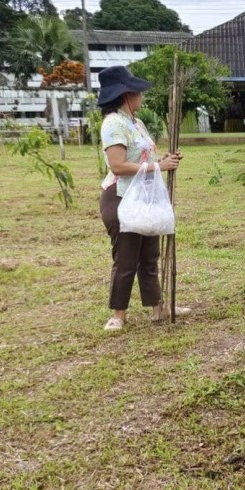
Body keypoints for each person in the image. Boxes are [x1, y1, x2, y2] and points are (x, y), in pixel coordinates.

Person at [97, 65, 186, 332]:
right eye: (138, 91)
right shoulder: (113, 123)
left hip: (144, 197)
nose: (141, 96)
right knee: (126, 258)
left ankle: (159, 308)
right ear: (127, 95)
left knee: (149, 255)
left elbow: (144, 159)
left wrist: (164, 161)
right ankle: (118, 315)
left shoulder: (136, 123)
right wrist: (158, 166)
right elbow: (118, 166)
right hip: (122, 197)